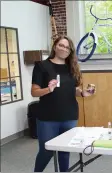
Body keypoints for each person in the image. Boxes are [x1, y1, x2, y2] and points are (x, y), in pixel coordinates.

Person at [31, 35, 95, 172]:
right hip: (47, 118)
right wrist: (48, 89)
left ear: (70, 51)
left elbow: (74, 89)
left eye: (67, 47)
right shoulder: (42, 66)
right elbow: (34, 92)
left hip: (69, 116)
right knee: (46, 151)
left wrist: (83, 93)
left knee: (65, 151)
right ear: (55, 46)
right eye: (61, 45)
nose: (64, 49)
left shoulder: (72, 67)